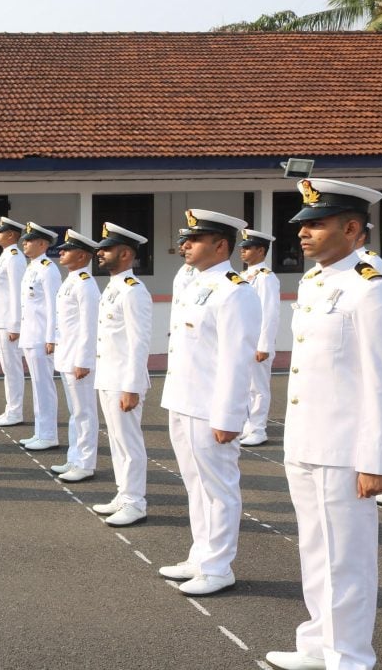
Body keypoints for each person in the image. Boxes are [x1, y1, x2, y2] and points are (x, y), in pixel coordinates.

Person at [265, 179, 382, 670]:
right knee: (316, 552)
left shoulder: (369, 290)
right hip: (306, 441)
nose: (304, 232)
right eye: (302, 225)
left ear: (353, 229)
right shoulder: (318, 283)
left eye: (316, 224)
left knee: (348, 562)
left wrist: (377, 461)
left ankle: (351, 659)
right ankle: (318, 645)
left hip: (344, 448)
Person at [158, 209, 260, 597]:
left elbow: (237, 360)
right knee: (194, 485)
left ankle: (219, 567)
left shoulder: (235, 290)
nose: (185, 245)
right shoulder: (195, 283)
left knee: (218, 488)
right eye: (186, 239)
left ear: (221, 245)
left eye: (194, 240)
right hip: (184, 400)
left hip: (211, 407)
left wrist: (229, 415)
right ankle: (200, 555)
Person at [91, 222, 152, 527]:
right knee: (116, 441)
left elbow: (139, 341)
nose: (99, 253)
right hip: (108, 376)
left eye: (107, 248)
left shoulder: (133, 291)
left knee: (129, 443)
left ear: (125, 253)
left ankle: (135, 501)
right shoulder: (113, 287)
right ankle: (123, 493)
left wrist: (132, 386)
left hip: (123, 381)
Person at [48, 230, 101, 482]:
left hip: (77, 359)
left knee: (84, 413)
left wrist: (84, 360)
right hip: (66, 354)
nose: (61, 252)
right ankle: (74, 457)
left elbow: (89, 326)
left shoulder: (85, 284)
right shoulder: (71, 280)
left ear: (81, 256)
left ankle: (86, 463)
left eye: (66, 250)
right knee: (75, 412)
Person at [16, 222, 62, 451]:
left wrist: (52, 337)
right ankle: (41, 431)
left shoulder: (48, 269)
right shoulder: (32, 267)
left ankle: (49, 434)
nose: (25, 242)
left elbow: (54, 305)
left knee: (44, 386)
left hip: (41, 338)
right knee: (37, 385)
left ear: (42, 244)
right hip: (30, 336)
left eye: (29, 240)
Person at [238, 229, 280, 447]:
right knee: (245, 386)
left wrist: (264, 344)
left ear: (261, 250)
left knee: (258, 388)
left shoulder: (266, 277)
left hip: (258, 343)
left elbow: (269, 312)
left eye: (247, 248)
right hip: (245, 341)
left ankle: (258, 428)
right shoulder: (245, 276)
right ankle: (247, 425)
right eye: (242, 248)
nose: (242, 252)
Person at [0, 216, 27, 427]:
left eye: (0, 231)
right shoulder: (5, 256)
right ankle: (10, 408)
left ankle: (15, 412)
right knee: (7, 369)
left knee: (12, 368)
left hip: (7, 322)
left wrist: (15, 325)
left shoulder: (14, 258)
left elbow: (16, 293)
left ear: (11, 235)